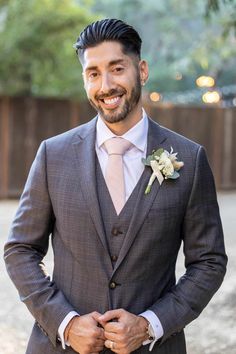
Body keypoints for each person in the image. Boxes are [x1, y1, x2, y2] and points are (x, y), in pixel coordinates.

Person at [4, 18, 227, 354]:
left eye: (117, 69)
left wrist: (151, 324)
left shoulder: (190, 159)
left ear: (142, 70)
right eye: (93, 73)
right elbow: (19, 249)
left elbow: (209, 261)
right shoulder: (53, 155)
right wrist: (65, 322)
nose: (105, 85)